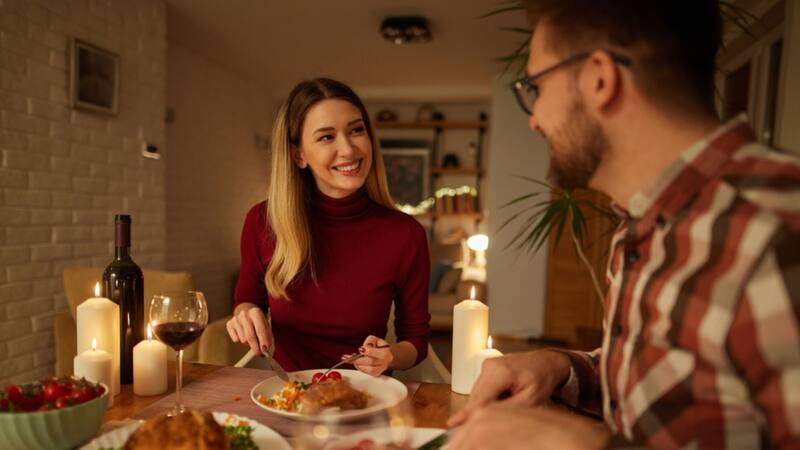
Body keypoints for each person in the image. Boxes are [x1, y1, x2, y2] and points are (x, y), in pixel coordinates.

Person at [448, 1, 800, 448]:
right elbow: (659, 386)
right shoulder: (640, 224)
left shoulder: (778, 228)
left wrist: (581, 444)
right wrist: (561, 368)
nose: (534, 119)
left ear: (599, 78)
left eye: (536, 87)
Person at [226, 78, 431, 375]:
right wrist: (246, 315)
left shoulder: (405, 234)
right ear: (299, 155)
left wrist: (390, 356)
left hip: (366, 398)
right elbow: (246, 302)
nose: (348, 149)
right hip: (287, 395)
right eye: (326, 137)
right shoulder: (262, 222)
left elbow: (416, 341)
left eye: (356, 130)